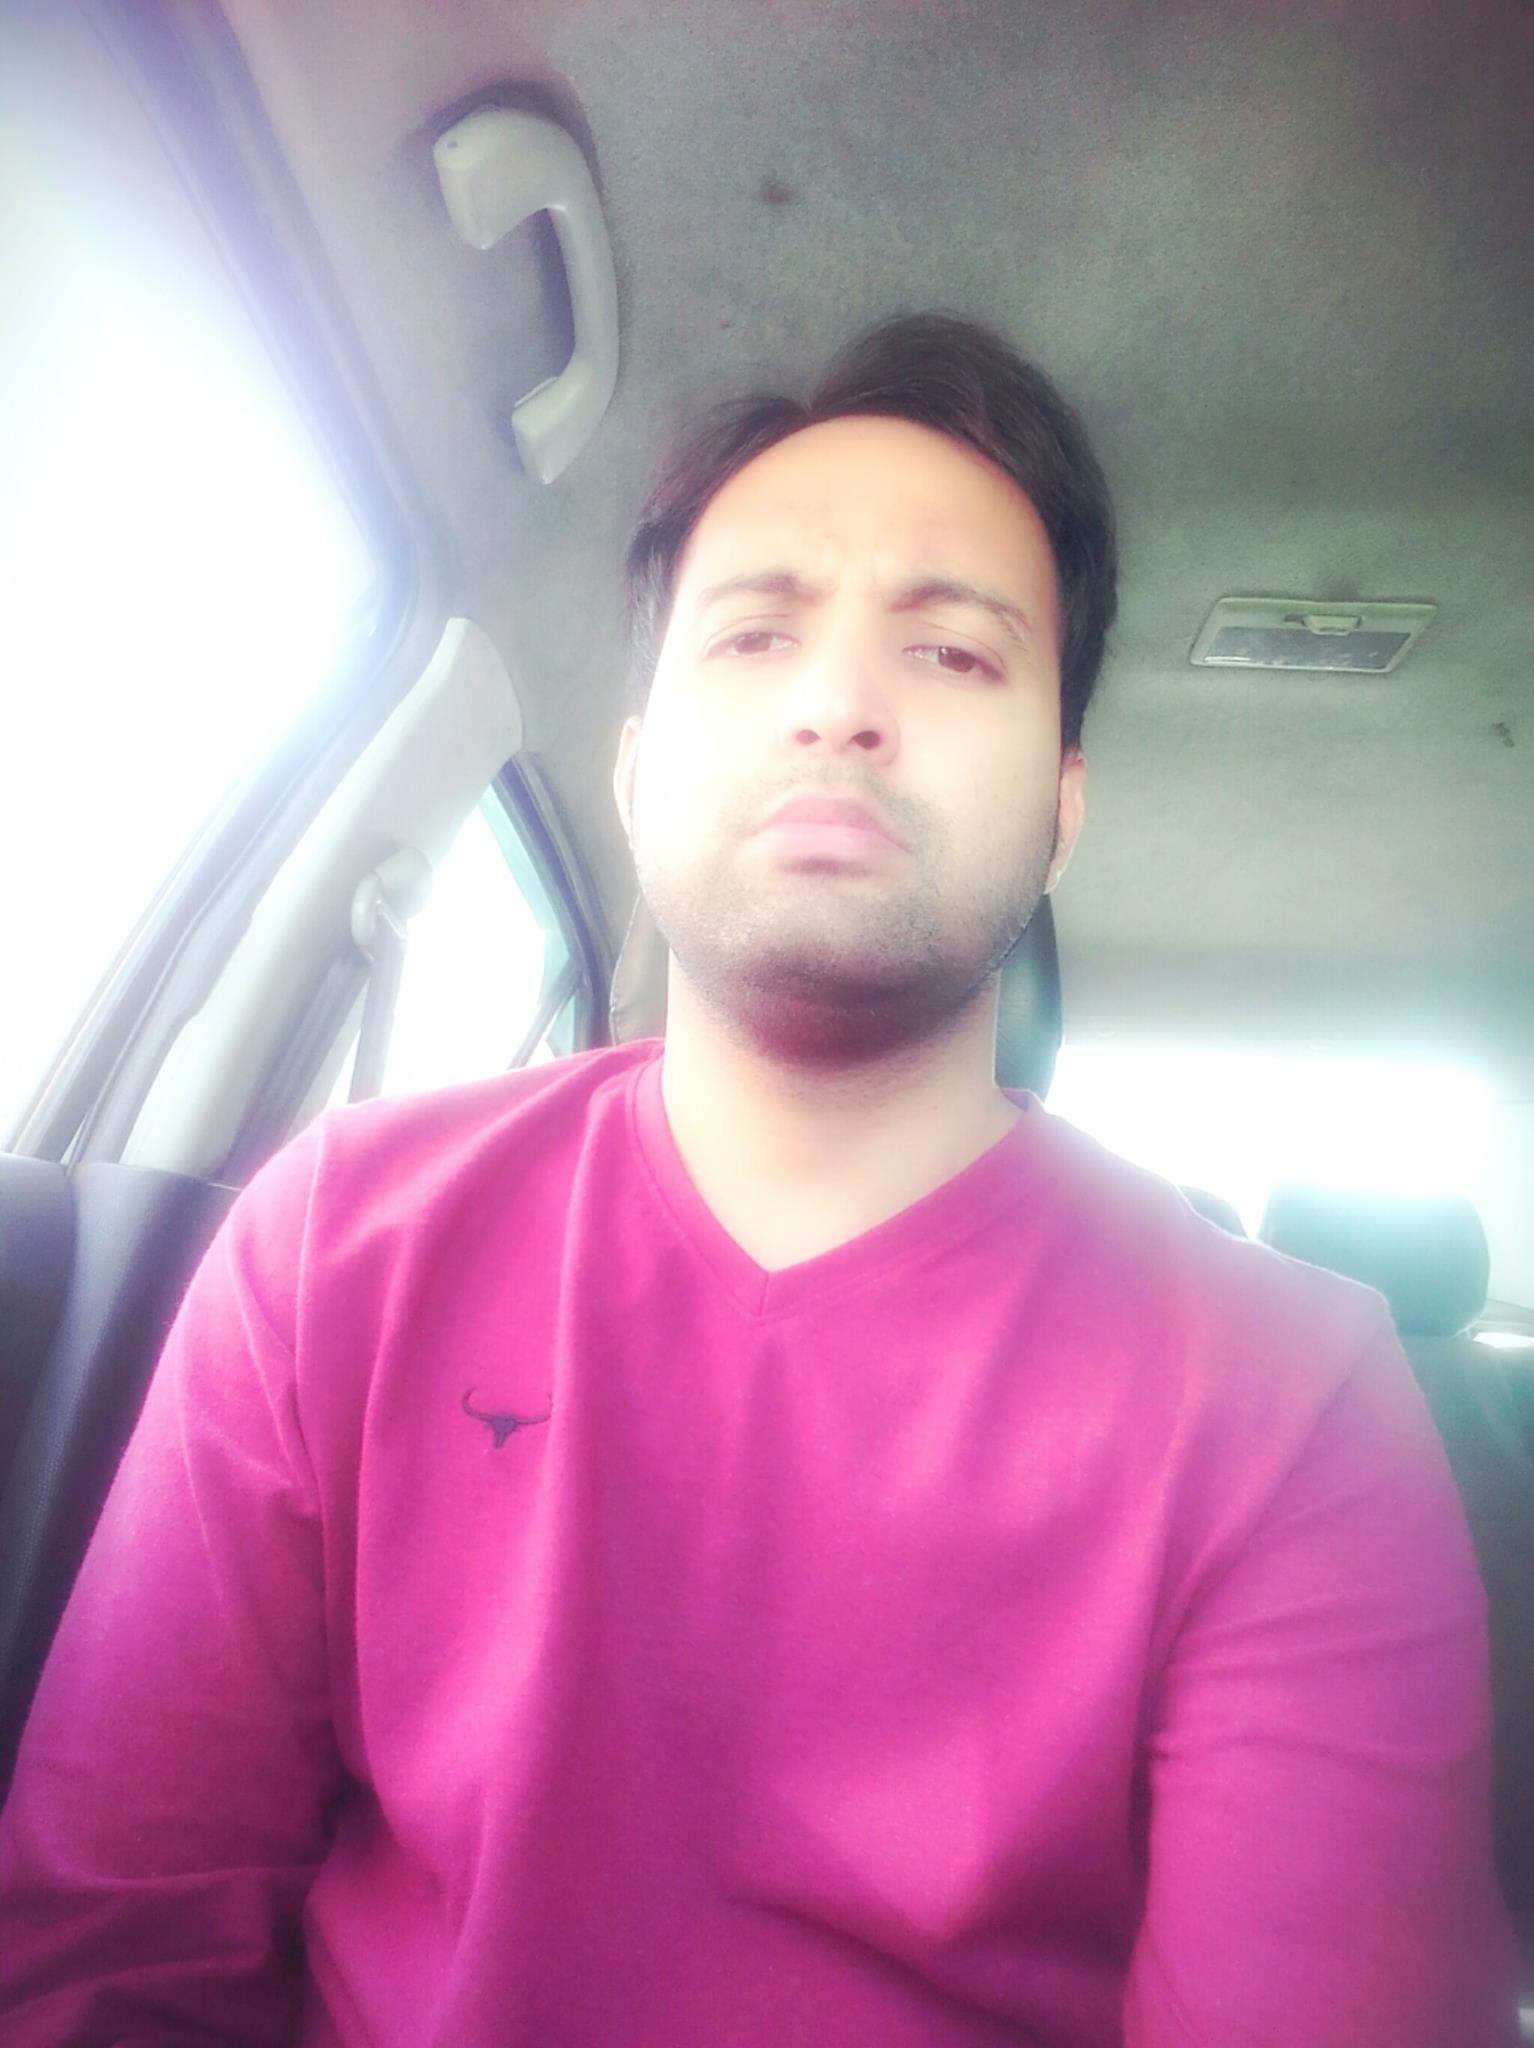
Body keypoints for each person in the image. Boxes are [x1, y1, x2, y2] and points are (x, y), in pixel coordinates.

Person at [0, 312, 1521, 2045]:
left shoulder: (1288, 1399)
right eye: (754, 633)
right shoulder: (336, 1239)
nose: (838, 705)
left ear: (1059, 812)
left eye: (952, 653)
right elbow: (109, 1957)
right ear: (636, 768)